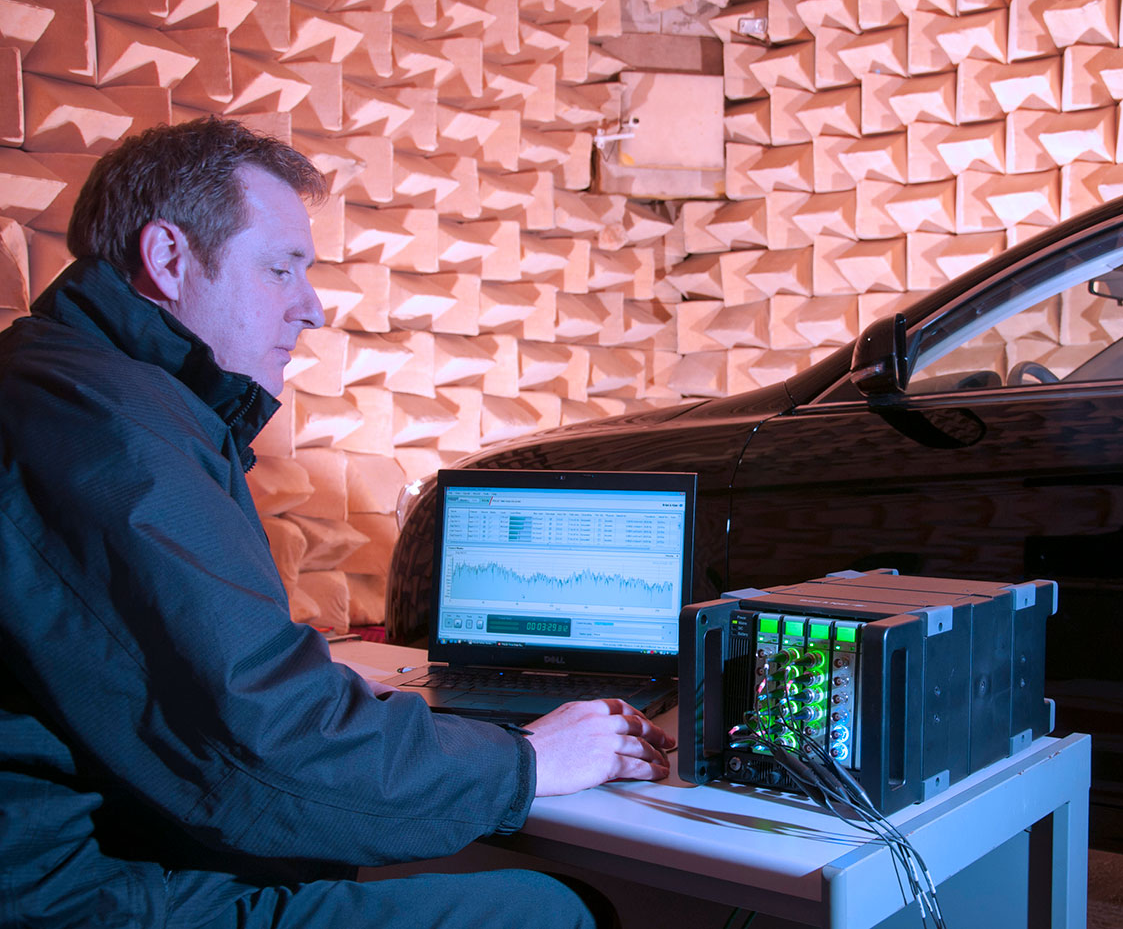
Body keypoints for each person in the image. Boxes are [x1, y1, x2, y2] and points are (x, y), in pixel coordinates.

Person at [0, 117, 673, 929]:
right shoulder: (106, 431)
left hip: (82, 857)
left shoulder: (73, 387)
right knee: (541, 911)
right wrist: (526, 761)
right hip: (77, 896)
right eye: (281, 269)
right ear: (170, 259)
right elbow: (266, 747)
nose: (311, 309)